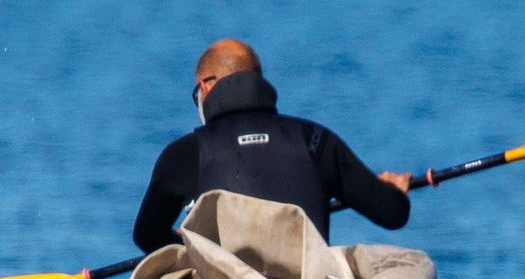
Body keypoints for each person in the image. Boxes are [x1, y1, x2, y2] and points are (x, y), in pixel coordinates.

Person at [133, 39, 414, 253]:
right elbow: (391, 214)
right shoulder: (314, 140)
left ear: (205, 87)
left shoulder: (185, 153)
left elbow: (146, 236)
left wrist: (189, 244)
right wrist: (394, 192)